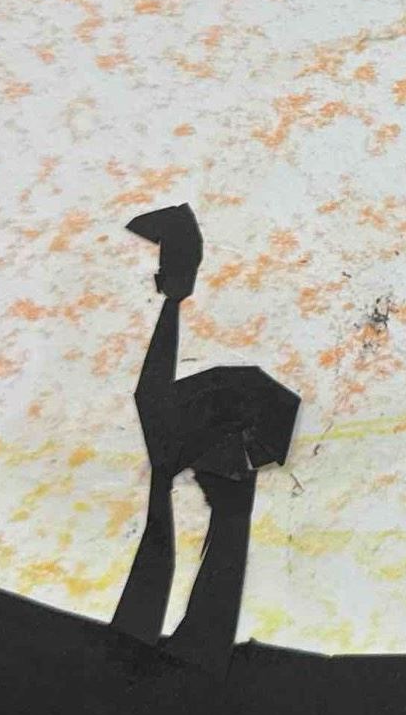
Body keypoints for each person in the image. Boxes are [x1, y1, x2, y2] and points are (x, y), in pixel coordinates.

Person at [110, 204, 300, 675]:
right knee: (200, 513)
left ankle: (187, 640)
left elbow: (154, 402)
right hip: (224, 417)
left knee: (204, 514)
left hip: (230, 414)